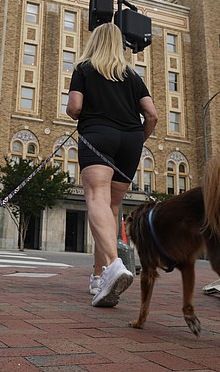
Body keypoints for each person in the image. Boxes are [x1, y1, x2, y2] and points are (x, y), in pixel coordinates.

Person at [66, 23, 158, 307]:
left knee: (95, 197)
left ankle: (114, 264)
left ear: (94, 42)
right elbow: (152, 115)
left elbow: (75, 108)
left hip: (98, 136)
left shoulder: (84, 68)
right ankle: (99, 276)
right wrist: (137, 140)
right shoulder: (132, 75)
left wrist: (77, 112)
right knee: (111, 208)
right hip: (131, 141)